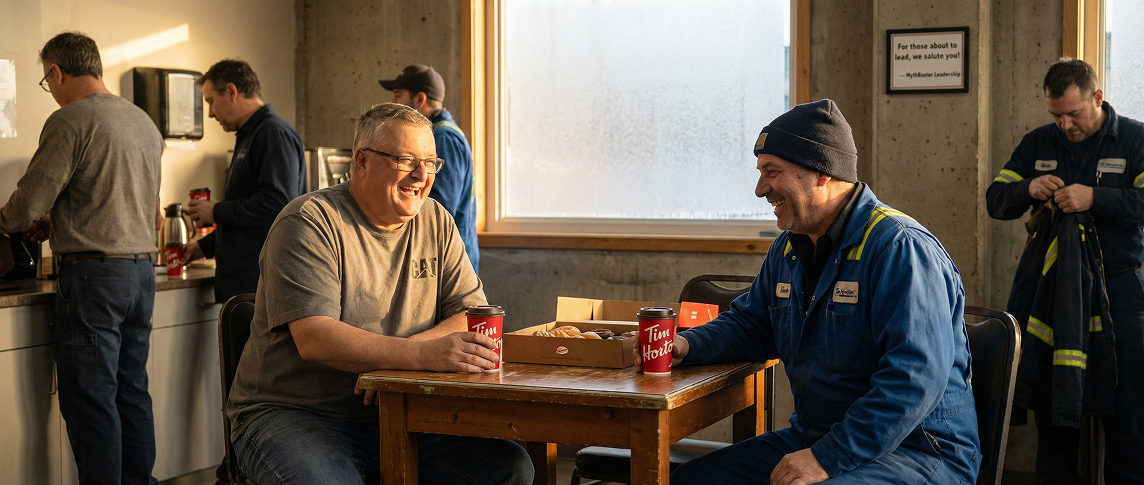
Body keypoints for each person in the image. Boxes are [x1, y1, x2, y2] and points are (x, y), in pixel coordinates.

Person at [661, 99, 980, 485]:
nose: (760, 189)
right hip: (816, 436)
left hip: (917, 450)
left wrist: (827, 458)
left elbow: (914, 378)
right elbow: (753, 325)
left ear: (822, 173)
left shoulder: (900, 248)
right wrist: (686, 345)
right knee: (693, 480)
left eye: (772, 172)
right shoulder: (789, 248)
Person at [225, 103, 533, 485]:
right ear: (362, 161)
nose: (421, 175)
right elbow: (314, 337)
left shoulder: (436, 220)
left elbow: (471, 314)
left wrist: (399, 366)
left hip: (400, 410)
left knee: (511, 469)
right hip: (296, 414)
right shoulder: (308, 221)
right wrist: (419, 356)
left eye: (430, 162)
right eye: (405, 160)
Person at [0, 32, 162, 484]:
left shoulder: (70, 119)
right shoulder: (143, 123)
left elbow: (27, 204)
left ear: (57, 72)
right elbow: (143, 210)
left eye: (46, 81)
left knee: (92, 401)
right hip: (141, 275)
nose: (50, 90)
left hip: (94, 279)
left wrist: (7, 220)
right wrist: (59, 220)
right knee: (132, 393)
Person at [987, 58, 1144, 484]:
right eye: (1056, 115)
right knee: (1055, 408)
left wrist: (1096, 198)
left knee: (1127, 416)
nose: (1065, 125)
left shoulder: (1135, 140)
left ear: (1097, 98)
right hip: (1052, 296)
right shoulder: (1039, 143)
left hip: (1119, 293)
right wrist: (1028, 187)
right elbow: (996, 199)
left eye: (1073, 114)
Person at [185, 59, 306, 303]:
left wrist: (216, 210)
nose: (210, 113)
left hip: (261, 287)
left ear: (231, 91)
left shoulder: (272, 133)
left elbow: (277, 205)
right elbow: (247, 221)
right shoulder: (250, 136)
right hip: (245, 288)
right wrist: (205, 246)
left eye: (210, 101)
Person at [380, 64, 480, 272]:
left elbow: (438, 208)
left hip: (448, 260)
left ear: (420, 100)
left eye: (398, 95)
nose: (392, 102)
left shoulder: (443, 138)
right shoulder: (446, 132)